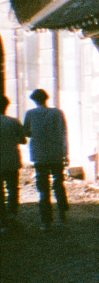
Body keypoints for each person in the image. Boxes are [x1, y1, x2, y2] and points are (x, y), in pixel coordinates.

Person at [24, 88, 68, 228]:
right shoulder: (57, 113)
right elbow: (63, 133)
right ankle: (62, 211)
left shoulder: (30, 114)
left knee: (43, 188)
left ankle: (46, 220)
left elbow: (26, 132)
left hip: (39, 154)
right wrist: (65, 154)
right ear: (46, 98)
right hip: (56, 153)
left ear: (34, 100)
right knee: (58, 183)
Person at [0, 95, 25, 229]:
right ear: (6, 106)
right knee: (13, 188)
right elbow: (23, 140)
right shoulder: (13, 121)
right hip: (11, 160)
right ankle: (12, 214)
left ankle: (2, 219)